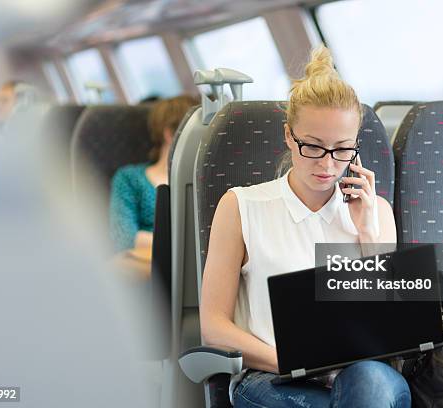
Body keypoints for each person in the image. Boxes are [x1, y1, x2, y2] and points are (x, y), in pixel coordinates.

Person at [200, 45, 410, 407]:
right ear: (288, 136)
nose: (328, 165)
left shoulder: (376, 211)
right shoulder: (241, 207)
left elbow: (390, 329)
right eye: (313, 146)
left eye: (343, 149)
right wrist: (294, 361)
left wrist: (369, 235)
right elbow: (214, 328)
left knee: (369, 381)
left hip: (361, 375)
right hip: (273, 376)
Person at [109, 95, 198, 252]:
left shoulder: (204, 180)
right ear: (170, 134)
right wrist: (185, 247)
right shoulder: (129, 178)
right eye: (196, 133)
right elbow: (125, 238)